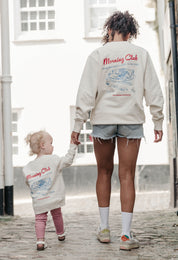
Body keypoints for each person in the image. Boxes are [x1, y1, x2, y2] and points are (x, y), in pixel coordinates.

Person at [71, 11, 164, 250]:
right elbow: (153, 91)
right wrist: (157, 122)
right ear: (131, 33)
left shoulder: (97, 55)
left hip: (102, 120)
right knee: (127, 176)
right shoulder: (141, 55)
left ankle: (103, 229)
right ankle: (125, 235)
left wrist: (77, 126)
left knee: (103, 172)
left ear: (110, 30)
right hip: (131, 119)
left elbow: (85, 94)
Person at [23, 130, 77, 250]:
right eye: (51, 143)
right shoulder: (54, 160)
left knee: (40, 219)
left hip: (40, 199)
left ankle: (40, 241)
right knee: (57, 214)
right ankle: (61, 234)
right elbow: (68, 160)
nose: (53, 146)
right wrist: (73, 146)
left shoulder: (29, 167)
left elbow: (29, 182)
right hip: (53, 197)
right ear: (43, 145)